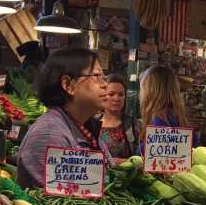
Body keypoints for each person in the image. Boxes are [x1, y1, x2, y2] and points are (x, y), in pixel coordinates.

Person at [17, 48, 109, 188]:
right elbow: (63, 197)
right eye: (97, 76)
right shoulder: (49, 134)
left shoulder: (86, 126)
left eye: (104, 77)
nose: (105, 84)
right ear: (68, 85)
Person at [138, 65, 190, 150]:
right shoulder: (177, 117)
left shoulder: (159, 124)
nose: (140, 94)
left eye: (142, 88)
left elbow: (148, 154)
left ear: (150, 92)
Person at [99, 73, 136, 160]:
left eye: (121, 94)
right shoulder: (91, 125)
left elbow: (143, 159)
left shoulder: (134, 125)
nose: (116, 98)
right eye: (111, 94)